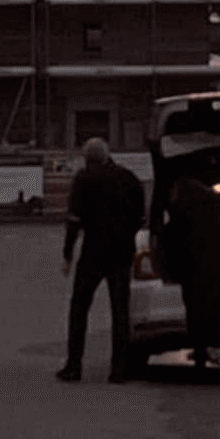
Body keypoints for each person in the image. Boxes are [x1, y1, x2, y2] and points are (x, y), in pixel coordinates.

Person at [58, 138, 145, 382]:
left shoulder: (83, 179)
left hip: (93, 252)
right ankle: (119, 369)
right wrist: (127, 235)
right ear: (108, 155)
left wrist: (68, 252)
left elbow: (74, 219)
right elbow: (140, 216)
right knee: (120, 311)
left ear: (87, 157)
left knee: (79, 308)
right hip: (121, 252)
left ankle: (74, 365)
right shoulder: (128, 178)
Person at [161, 168, 220, 377]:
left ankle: (200, 362)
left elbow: (172, 240)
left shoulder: (179, 208)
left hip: (196, 270)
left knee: (198, 320)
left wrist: (172, 268)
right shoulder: (214, 202)